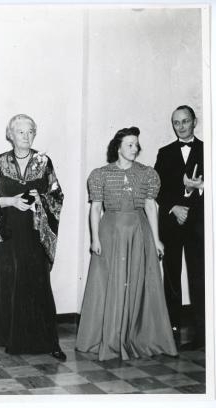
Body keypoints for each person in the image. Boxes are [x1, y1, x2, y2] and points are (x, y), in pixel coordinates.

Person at [76, 127, 177, 361]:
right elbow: (96, 208)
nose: (134, 149)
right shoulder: (100, 174)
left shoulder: (147, 174)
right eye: (130, 144)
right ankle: (107, 337)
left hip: (138, 231)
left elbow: (151, 206)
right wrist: (95, 238)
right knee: (108, 282)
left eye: (136, 145)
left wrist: (156, 238)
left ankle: (137, 336)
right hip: (110, 232)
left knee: (139, 282)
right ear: (118, 147)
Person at [0, 114, 66, 361]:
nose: (26, 136)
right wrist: (11, 201)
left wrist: (39, 200)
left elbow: (56, 196)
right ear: (11, 135)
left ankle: (49, 341)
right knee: (9, 283)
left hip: (34, 233)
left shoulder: (43, 161)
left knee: (38, 285)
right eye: (20, 132)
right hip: (7, 233)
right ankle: (9, 338)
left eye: (30, 131)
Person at [154, 105, 205, 350]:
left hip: (198, 225)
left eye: (185, 121)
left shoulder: (209, 149)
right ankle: (171, 330)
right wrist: (175, 206)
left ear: (194, 122)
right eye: (176, 122)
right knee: (172, 277)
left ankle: (202, 332)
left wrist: (197, 188)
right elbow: (157, 189)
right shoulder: (164, 153)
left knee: (199, 277)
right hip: (173, 223)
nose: (181, 126)